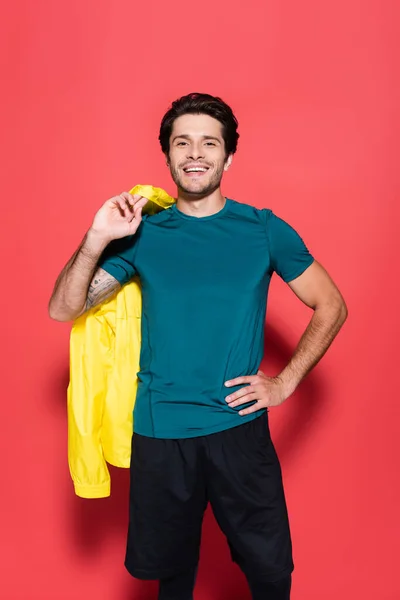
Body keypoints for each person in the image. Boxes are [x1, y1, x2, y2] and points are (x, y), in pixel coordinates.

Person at [49, 92, 347, 600]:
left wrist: (285, 382)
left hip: (239, 430)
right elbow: (64, 307)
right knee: (173, 576)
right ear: (166, 154)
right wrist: (96, 237)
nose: (195, 153)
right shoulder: (142, 234)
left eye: (209, 143)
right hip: (160, 431)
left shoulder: (263, 229)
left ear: (228, 156)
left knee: (272, 572)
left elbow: (331, 304)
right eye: (182, 142)